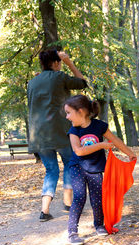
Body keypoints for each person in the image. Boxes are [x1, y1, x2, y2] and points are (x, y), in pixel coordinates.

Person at [64, 94, 137, 245]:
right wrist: (102, 145)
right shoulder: (73, 131)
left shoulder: (99, 126)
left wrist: (130, 153)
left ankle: (99, 225)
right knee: (79, 197)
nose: (67, 117)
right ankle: (72, 232)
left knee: (97, 199)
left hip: (96, 167)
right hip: (77, 167)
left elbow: (115, 140)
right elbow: (79, 151)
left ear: (81, 111)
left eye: (69, 112)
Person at [27, 49, 88, 222]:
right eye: (59, 62)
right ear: (55, 63)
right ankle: (68, 203)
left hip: (39, 135)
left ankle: (44, 211)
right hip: (61, 131)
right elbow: (83, 83)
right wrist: (69, 62)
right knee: (70, 163)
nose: (60, 64)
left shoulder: (32, 82)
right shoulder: (60, 77)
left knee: (51, 170)